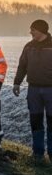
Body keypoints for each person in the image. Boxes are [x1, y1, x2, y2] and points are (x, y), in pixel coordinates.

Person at [13, 19, 52, 162]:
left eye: (33, 30)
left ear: (41, 30)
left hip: (50, 90)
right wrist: (17, 83)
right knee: (35, 121)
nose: (30, 32)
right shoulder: (28, 47)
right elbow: (22, 66)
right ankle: (38, 153)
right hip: (33, 89)